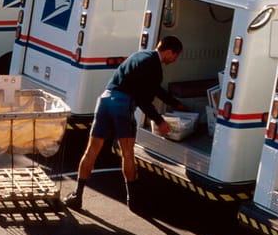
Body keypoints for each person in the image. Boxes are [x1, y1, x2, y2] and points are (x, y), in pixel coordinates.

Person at [63, 35, 186, 212]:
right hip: (123, 104)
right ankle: (133, 201)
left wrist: (175, 103)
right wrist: (159, 121)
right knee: (127, 153)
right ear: (168, 52)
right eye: (176, 56)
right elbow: (144, 99)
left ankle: (77, 195)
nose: (175, 60)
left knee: (92, 150)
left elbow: (154, 88)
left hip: (105, 100)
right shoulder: (154, 67)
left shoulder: (139, 55)